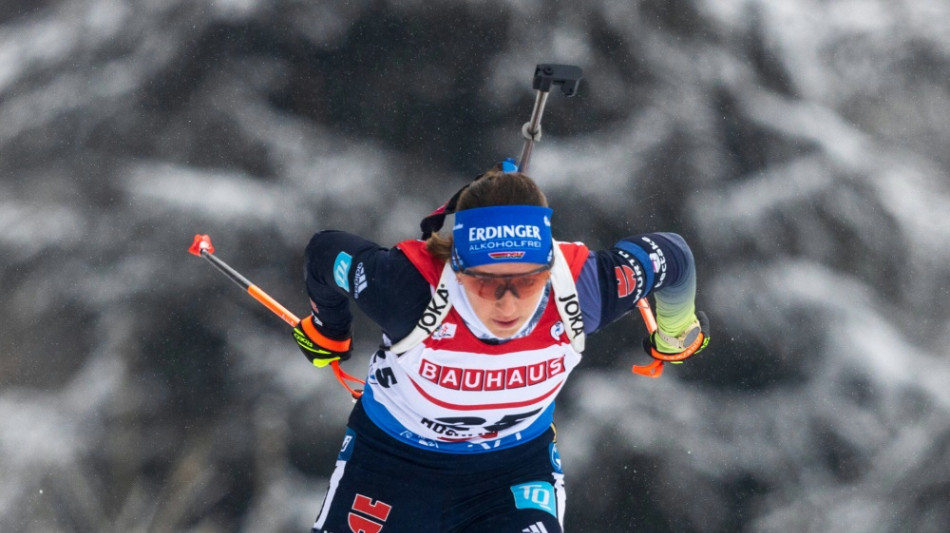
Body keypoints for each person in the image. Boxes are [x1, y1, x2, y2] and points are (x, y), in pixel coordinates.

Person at [293, 166, 709, 533]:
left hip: (511, 474)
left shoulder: (583, 290)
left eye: (527, 282)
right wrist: (331, 327)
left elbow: (673, 256)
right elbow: (325, 251)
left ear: (549, 265)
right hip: (392, 466)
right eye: (486, 284)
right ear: (457, 266)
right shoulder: (408, 288)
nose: (508, 304)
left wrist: (676, 332)